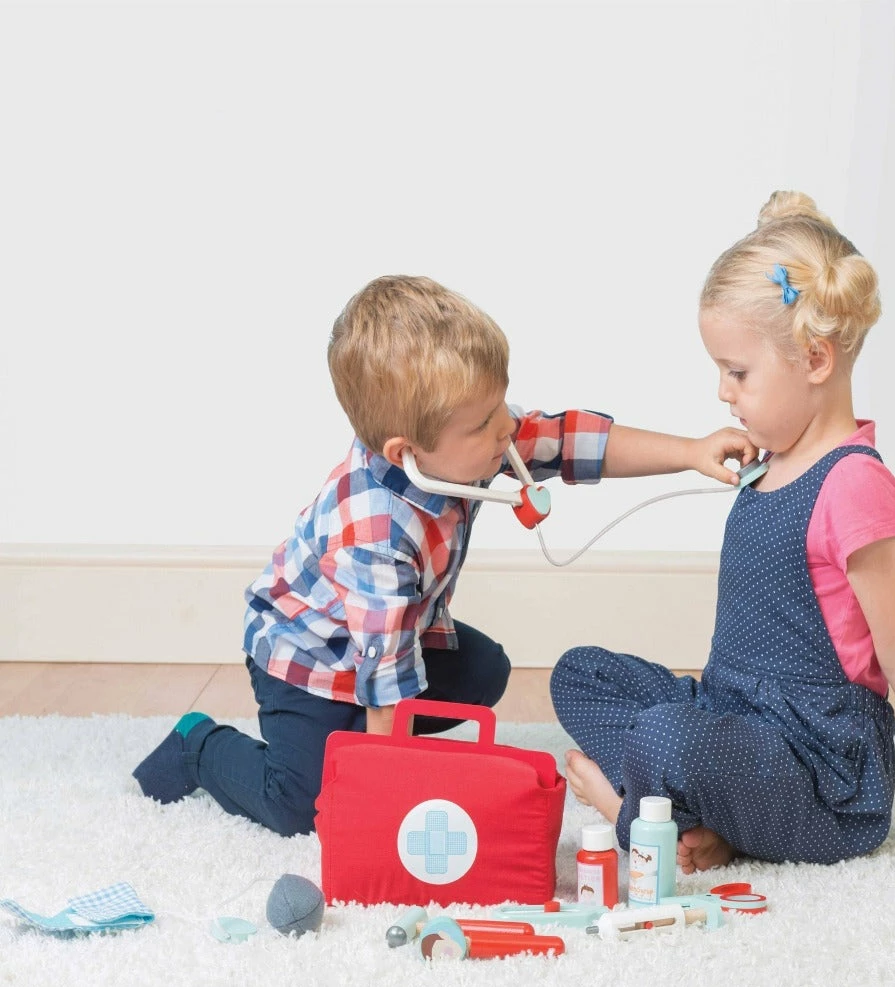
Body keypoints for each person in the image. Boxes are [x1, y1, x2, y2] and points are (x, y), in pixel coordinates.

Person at [132, 274, 756, 837]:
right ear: (406, 451)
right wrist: (383, 792)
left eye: (500, 406)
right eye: (484, 424)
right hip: (308, 663)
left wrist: (689, 451)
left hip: (388, 640)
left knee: (483, 673)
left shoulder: (463, 443)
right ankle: (197, 745)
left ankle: (345, 742)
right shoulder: (374, 534)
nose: (506, 429)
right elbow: (385, 677)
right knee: (304, 804)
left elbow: (570, 440)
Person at [550, 192, 895, 873]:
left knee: (665, 736)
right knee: (581, 673)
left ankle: (633, 808)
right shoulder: (767, 463)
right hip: (731, 717)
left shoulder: (857, 486)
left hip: (817, 771)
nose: (723, 391)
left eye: (738, 373)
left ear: (816, 360)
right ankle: (707, 820)